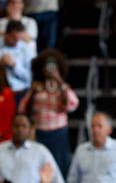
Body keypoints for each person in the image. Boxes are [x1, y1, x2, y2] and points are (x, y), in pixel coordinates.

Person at [18, 49, 79, 177]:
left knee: (58, 164)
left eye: (53, 66)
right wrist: (34, 91)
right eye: (47, 66)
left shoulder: (63, 87)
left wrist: (59, 81)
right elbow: (22, 109)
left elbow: (72, 105)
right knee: (37, 164)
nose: (50, 70)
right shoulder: (36, 87)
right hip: (39, 132)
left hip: (58, 132)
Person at [0, 113, 64, 183]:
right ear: (11, 127)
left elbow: (57, 180)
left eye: (24, 126)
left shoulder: (41, 151)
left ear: (29, 129)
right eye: (17, 126)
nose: (20, 129)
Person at [67, 111, 116, 183]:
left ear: (109, 130)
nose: (95, 130)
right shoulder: (81, 150)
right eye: (92, 126)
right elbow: (72, 179)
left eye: (99, 126)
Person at [0, 20, 35, 105]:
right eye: (14, 37)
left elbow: (29, 78)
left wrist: (14, 66)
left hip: (19, 92)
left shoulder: (26, 49)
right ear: (6, 34)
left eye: (19, 38)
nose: (16, 41)